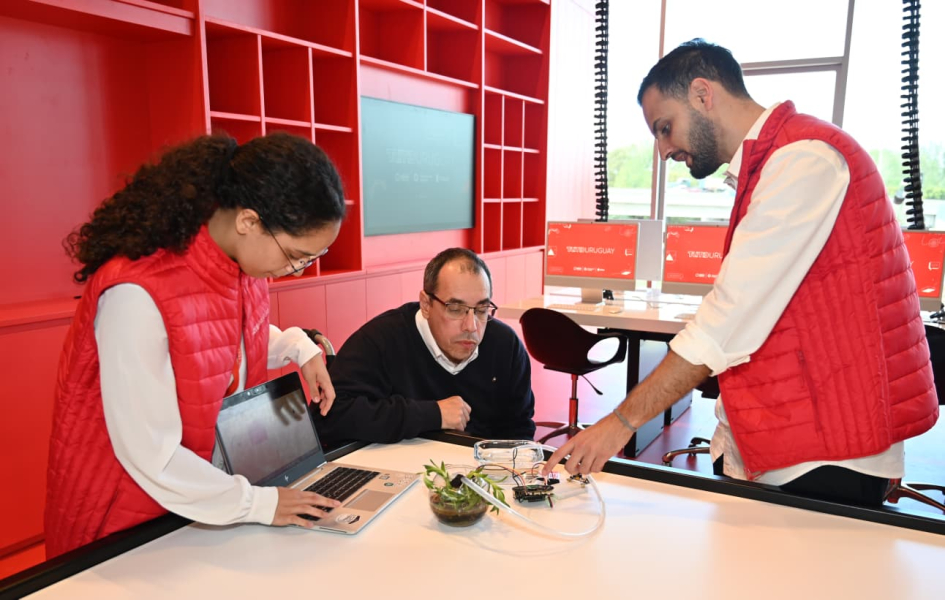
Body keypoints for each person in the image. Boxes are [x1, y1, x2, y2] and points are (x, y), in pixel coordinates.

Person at [544, 39, 940, 506]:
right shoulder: (774, 162)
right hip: (791, 437)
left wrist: (621, 423)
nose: (663, 150)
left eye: (665, 128)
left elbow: (726, 322)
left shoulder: (803, 160)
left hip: (823, 451)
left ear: (702, 94)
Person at [45, 132, 348, 557]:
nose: (296, 271)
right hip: (122, 524)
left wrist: (301, 348)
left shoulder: (237, 266)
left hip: (194, 504)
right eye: (296, 255)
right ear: (249, 221)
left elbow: (219, 348)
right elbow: (154, 456)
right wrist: (260, 503)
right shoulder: (136, 292)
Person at [312, 248, 536, 444]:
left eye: (481, 310)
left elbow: (520, 430)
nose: (471, 326)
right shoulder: (381, 340)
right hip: (400, 474)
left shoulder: (505, 345)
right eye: (455, 309)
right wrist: (432, 414)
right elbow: (329, 418)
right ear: (426, 304)